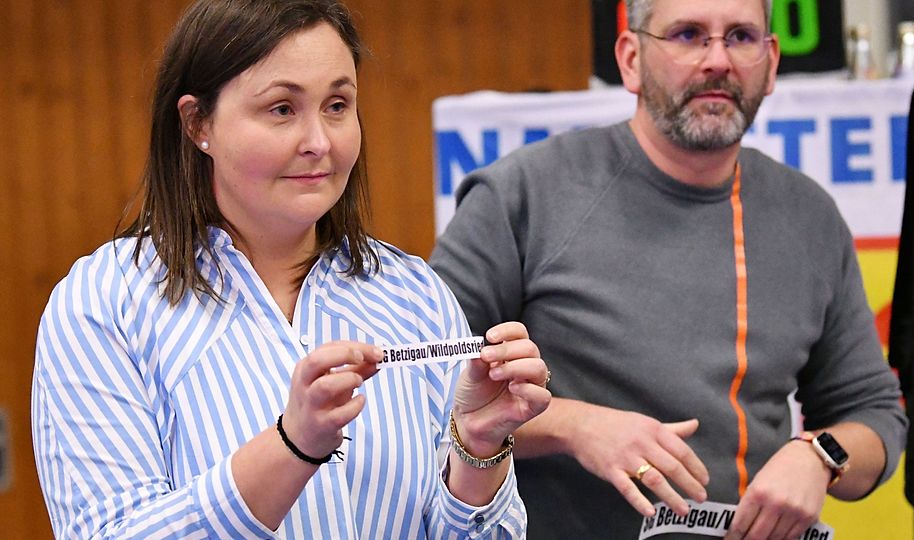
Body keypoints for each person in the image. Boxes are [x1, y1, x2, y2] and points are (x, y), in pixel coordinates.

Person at [31, 1, 551, 538]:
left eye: (337, 105)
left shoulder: (414, 292)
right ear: (197, 123)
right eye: (282, 109)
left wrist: (478, 450)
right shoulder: (104, 303)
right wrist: (291, 448)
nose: (319, 142)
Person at [430, 0, 907, 538]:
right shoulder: (522, 195)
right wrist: (575, 426)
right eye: (687, 34)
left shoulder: (809, 215)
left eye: (741, 37)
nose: (718, 60)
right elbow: (424, 383)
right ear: (631, 59)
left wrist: (820, 455)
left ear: (771, 61)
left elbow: (873, 413)